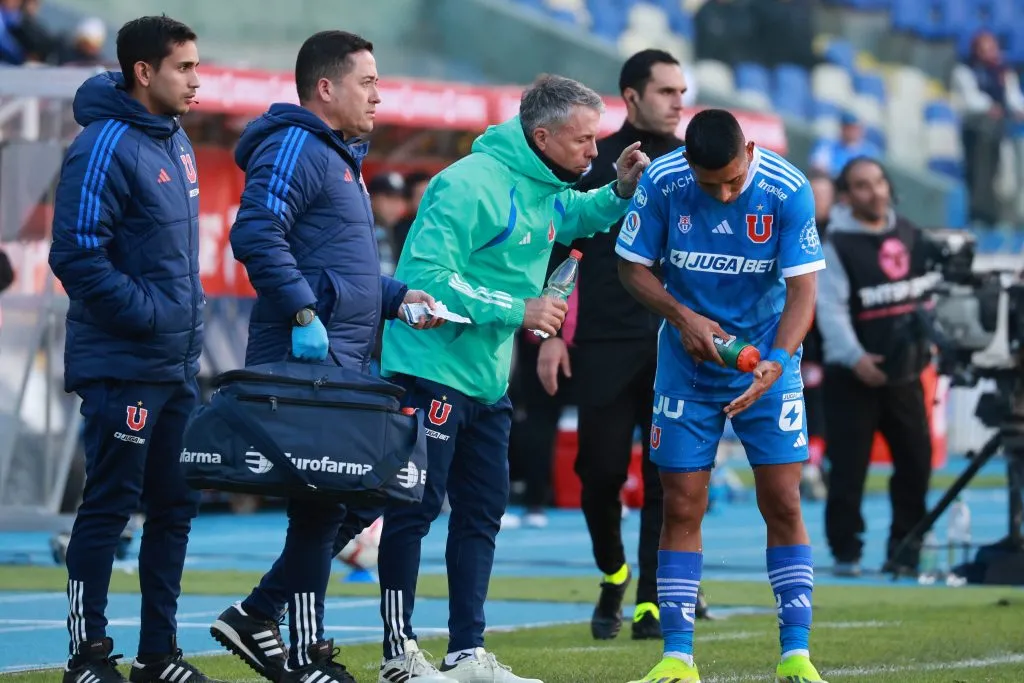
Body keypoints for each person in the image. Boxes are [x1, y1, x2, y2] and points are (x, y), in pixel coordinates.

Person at [373, 74, 650, 683]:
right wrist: (517, 309)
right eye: (583, 141)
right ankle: (398, 655)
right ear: (542, 135)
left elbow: (578, 214)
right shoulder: (465, 184)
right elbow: (427, 280)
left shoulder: (547, 184)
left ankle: (466, 652)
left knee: (481, 515)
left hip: (488, 381)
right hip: (429, 370)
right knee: (414, 513)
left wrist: (621, 190)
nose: (592, 152)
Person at [209, 30, 439, 683]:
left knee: (357, 496)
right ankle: (304, 654)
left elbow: (341, 272)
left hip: (343, 357)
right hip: (307, 356)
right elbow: (255, 230)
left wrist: (398, 298)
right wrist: (304, 312)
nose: (378, 94)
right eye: (368, 82)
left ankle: (259, 613)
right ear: (327, 87)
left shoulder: (339, 157)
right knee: (325, 503)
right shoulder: (296, 144)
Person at [616, 109, 827, 683]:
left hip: (767, 363)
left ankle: (796, 654)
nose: (726, 192)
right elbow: (631, 268)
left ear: (750, 149)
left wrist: (778, 363)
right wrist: (682, 318)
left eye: (734, 180)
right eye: (714, 185)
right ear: (689, 165)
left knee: (782, 501)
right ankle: (678, 656)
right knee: (681, 503)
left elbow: (804, 291)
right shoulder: (664, 182)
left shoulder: (788, 189)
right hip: (685, 368)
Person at [47, 15, 212, 683]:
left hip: (174, 366)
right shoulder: (103, 143)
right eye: (185, 68)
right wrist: (149, 315)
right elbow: (76, 255)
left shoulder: (173, 140)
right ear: (144, 72)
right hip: (124, 364)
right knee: (111, 505)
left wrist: (179, 328)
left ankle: (158, 656)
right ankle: (87, 657)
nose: (196, 80)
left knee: (175, 507)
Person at [534, 49, 708, 642]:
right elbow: (562, 249)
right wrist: (552, 334)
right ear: (631, 97)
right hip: (604, 343)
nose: (679, 102)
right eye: (666, 92)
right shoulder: (596, 159)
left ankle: (653, 601)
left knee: (670, 476)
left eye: (682, 91)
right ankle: (614, 574)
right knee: (599, 473)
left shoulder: (697, 164)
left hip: (675, 345)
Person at [816, 157, 933, 577]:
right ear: (847, 197)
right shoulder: (836, 244)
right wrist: (855, 358)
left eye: (879, 182)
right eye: (863, 186)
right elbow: (829, 311)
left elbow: (926, 296)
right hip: (853, 378)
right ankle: (846, 550)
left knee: (917, 463)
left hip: (904, 376)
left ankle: (906, 547)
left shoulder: (910, 233)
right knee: (849, 470)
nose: (875, 191)